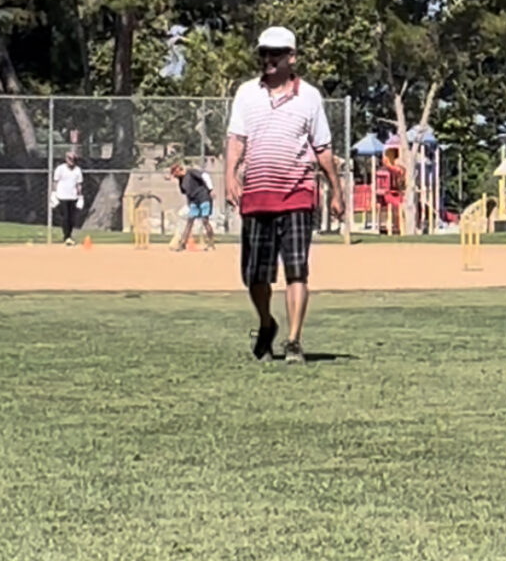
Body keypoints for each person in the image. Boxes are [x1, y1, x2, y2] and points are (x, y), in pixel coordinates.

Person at [224, 26, 346, 364]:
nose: (268, 59)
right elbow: (236, 139)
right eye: (264, 53)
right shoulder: (246, 93)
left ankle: (294, 341)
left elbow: (323, 149)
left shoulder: (309, 97)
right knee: (255, 275)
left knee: (296, 269)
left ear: (291, 58)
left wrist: (337, 190)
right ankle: (267, 324)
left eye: (275, 53)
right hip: (256, 195)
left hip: (297, 195)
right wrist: (229, 176)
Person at [170, 160, 216, 252]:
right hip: (193, 201)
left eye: (175, 172)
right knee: (189, 221)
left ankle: (211, 243)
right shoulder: (181, 180)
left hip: (203, 198)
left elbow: (205, 176)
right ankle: (182, 244)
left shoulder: (191, 172)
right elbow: (185, 192)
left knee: (205, 220)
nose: (175, 175)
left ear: (179, 169)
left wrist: (210, 189)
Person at [49, 152, 85, 243]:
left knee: (72, 218)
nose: (71, 161)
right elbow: (55, 182)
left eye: (73, 159)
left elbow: (79, 184)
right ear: (66, 159)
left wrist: (80, 197)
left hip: (73, 196)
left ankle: (69, 235)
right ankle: (67, 236)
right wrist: (53, 193)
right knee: (65, 217)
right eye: (69, 158)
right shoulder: (60, 169)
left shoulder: (77, 170)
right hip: (62, 196)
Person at [376, 142, 407, 236]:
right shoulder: (388, 170)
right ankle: (392, 227)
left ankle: (398, 227)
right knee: (395, 205)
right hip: (389, 195)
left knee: (399, 205)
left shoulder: (397, 169)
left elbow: (400, 175)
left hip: (394, 195)